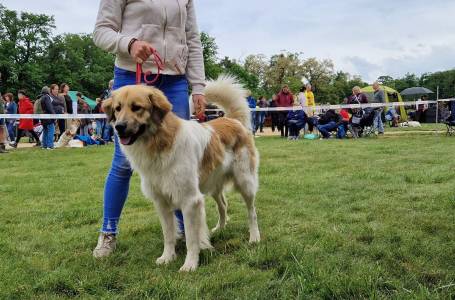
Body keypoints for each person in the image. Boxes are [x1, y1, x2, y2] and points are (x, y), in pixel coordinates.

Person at [92, 0, 206, 257]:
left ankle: (185, 231)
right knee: (123, 162)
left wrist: (198, 85)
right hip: (132, 74)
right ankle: (108, 232)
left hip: (175, 80)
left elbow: (192, 39)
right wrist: (129, 44)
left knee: (179, 159)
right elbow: (101, 31)